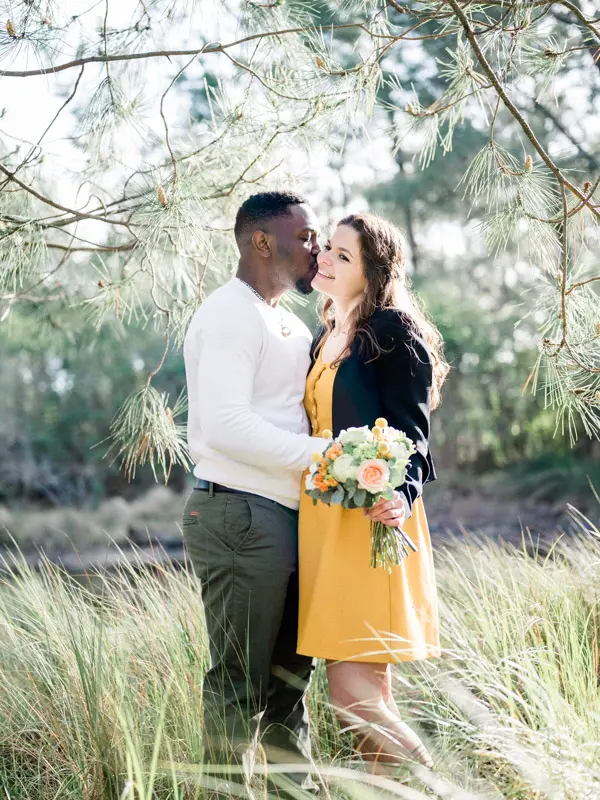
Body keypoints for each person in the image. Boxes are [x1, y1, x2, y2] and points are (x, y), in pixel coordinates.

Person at [181, 192, 406, 788]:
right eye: (306, 237)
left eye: (323, 242)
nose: (316, 251)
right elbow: (226, 424)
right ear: (261, 241)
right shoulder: (229, 313)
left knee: (287, 690)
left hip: (291, 519)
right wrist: (325, 456)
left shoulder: (290, 321)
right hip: (239, 514)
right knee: (239, 688)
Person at [298, 212, 449, 772]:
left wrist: (401, 496)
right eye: (327, 250)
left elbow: (413, 434)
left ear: (373, 271)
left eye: (344, 255)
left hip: (371, 521)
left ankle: (439, 784)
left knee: (352, 694)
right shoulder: (324, 334)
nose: (326, 260)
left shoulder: (391, 330)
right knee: (369, 699)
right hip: (323, 524)